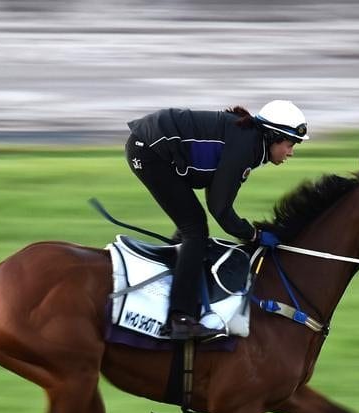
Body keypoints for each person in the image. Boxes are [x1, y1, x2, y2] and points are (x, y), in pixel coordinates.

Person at [125, 100, 309, 339]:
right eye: (289, 144)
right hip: (149, 150)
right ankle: (179, 318)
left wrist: (248, 232)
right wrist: (253, 235)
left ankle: (178, 276)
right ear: (273, 136)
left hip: (150, 144)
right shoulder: (246, 147)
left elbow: (216, 198)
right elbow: (220, 209)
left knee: (192, 226)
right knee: (195, 230)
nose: (291, 152)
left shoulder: (249, 143)